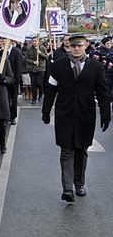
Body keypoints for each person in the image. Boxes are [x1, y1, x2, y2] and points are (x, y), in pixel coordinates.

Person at [41, 33, 110, 202]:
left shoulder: (96, 66)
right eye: (73, 46)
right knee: (66, 151)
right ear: (69, 47)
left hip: (85, 115)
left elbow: (102, 91)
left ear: (86, 45)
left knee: (81, 151)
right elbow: (51, 89)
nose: (76, 49)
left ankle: (79, 183)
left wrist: (106, 115)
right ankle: (67, 189)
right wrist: (46, 111)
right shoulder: (59, 65)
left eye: (80, 45)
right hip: (64, 115)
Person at [25, 37, 48, 104]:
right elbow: (26, 59)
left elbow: (46, 57)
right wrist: (33, 62)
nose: (34, 42)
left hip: (40, 69)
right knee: (33, 84)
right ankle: (34, 98)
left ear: (38, 41)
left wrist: (40, 53)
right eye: (33, 41)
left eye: (35, 41)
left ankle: (41, 94)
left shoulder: (42, 48)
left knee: (39, 83)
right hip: (32, 69)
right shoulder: (29, 49)